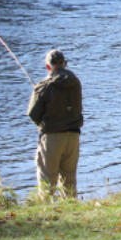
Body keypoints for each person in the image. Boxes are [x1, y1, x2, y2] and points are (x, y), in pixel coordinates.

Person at [27, 48, 83, 200]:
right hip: (73, 136)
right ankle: (72, 209)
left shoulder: (43, 86)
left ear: (47, 66)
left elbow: (32, 114)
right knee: (69, 179)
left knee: (47, 179)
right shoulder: (75, 82)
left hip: (52, 137)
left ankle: (46, 212)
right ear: (65, 63)